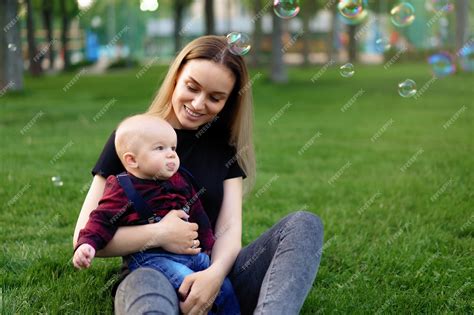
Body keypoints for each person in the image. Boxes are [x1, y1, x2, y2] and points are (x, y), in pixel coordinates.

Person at [73, 35, 324, 315]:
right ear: (177, 77)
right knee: (144, 286)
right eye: (192, 87)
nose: (198, 103)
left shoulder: (223, 148)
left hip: (216, 272)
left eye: (215, 97)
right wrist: (159, 234)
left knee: (304, 225)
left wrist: (214, 277)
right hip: (154, 272)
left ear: (229, 102)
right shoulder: (131, 138)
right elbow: (84, 236)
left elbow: (228, 231)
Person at [73, 114, 239, 314]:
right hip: (152, 258)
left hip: (191, 254)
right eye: (160, 148)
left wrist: (208, 246)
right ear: (132, 160)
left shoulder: (180, 180)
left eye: (173, 148)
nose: (171, 154)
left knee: (224, 286)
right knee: (192, 287)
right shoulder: (123, 188)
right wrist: (88, 244)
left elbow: (199, 215)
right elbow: (101, 219)